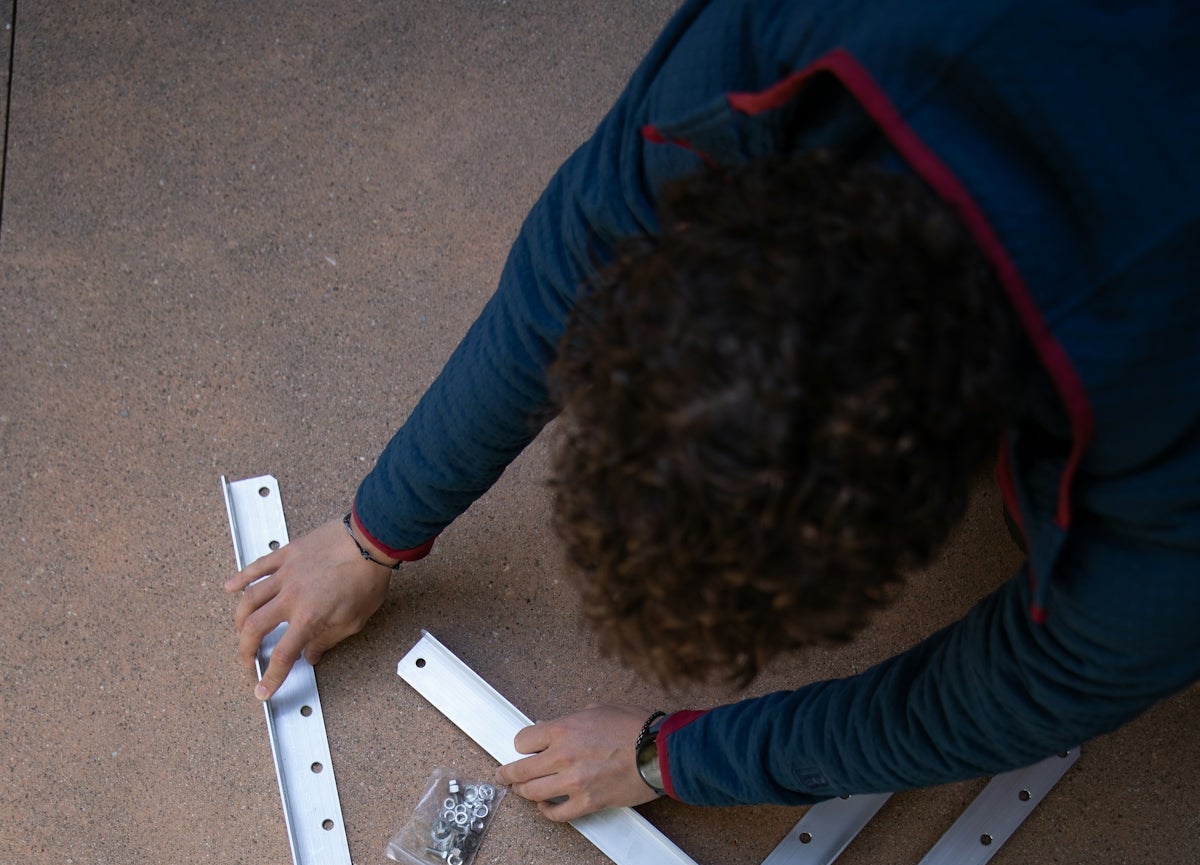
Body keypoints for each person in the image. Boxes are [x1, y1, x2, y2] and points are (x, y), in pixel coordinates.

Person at [227, 0, 1200, 822]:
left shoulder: (1162, 500)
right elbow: (579, 257)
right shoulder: (783, 50)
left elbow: (1020, 690)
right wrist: (376, 533)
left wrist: (675, 758)